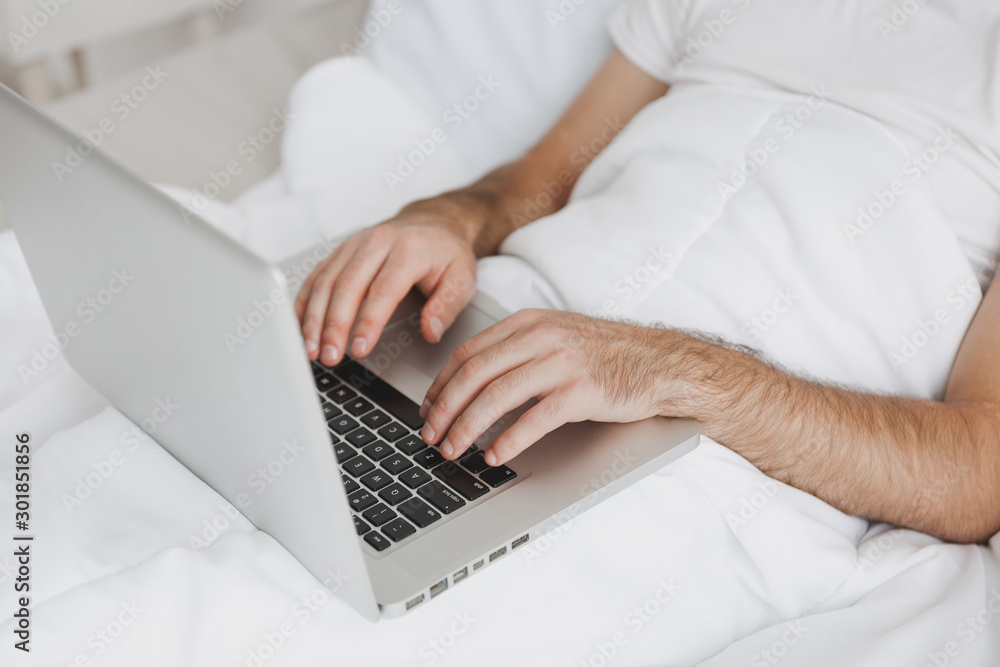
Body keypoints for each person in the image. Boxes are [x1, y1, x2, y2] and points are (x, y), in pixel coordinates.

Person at [295, 0, 1000, 544]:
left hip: (711, 461)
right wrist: (449, 216)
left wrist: (670, 372)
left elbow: (978, 465)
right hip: (482, 341)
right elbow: (542, 176)